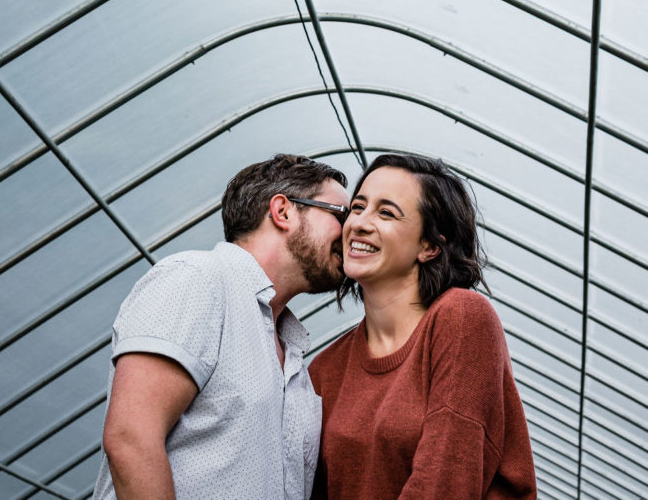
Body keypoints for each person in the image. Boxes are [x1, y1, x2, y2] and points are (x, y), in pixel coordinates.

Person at [92, 153, 349, 500]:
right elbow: (131, 438)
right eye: (341, 215)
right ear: (283, 211)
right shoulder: (197, 279)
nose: (352, 230)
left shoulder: (292, 355)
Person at [309, 153, 537, 500]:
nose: (360, 223)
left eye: (386, 213)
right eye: (357, 207)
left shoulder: (461, 319)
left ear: (429, 246)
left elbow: (445, 482)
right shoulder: (324, 370)